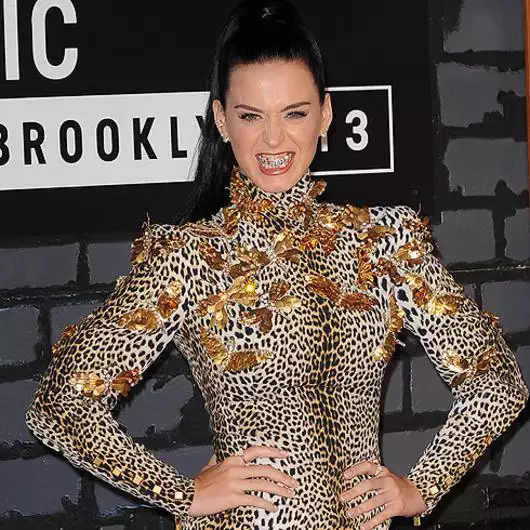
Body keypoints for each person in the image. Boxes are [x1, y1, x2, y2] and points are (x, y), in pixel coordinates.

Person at [26, 0, 529, 529]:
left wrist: (422, 486)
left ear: (325, 115)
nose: (273, 139)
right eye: (251, 116)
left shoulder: (386, 241)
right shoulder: (188, 256)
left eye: (295, 113)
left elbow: (497, 382)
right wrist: (182, 493)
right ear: (222, 120)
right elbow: (61, 405)